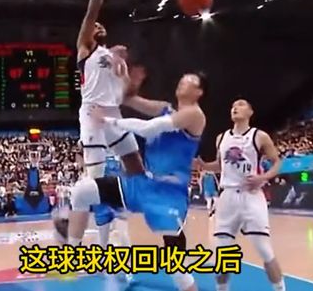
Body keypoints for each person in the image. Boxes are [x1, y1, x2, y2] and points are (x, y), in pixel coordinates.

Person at [57, 69, 207, 291]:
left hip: (168, 196)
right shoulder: (165, 108)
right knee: (81, 192)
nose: (183, 81)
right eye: (182, 78)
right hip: (144, 185)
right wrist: (125, 81)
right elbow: (127, 100)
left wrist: (108, 120)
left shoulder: (195, 115)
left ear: (199, 92)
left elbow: (148, 128)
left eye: (190, 81)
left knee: (177, 270)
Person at [70, 0, 144, 249]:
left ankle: (120, 218)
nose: (98, 25)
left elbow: (125, 95)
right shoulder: (85, 48)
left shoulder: (115, 58)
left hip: (113, 115)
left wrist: (131, 80)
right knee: (95, 182)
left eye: (102, 25)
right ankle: (81, 244)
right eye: (94, 25)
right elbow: (92, 11)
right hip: (92, 115)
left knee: (136, 169)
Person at [196, 99, 285, 291]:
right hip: (227, 197)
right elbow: (221, 165)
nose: (235, 107)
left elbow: (277, 162)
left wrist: (263, 177)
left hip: (251, 196)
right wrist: (204, 165)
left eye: (241, 104)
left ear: (250, 112)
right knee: (222, 253)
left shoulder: (259, 136)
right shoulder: (221, 138)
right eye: (233, 106)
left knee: (264, 250)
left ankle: (280, 288)